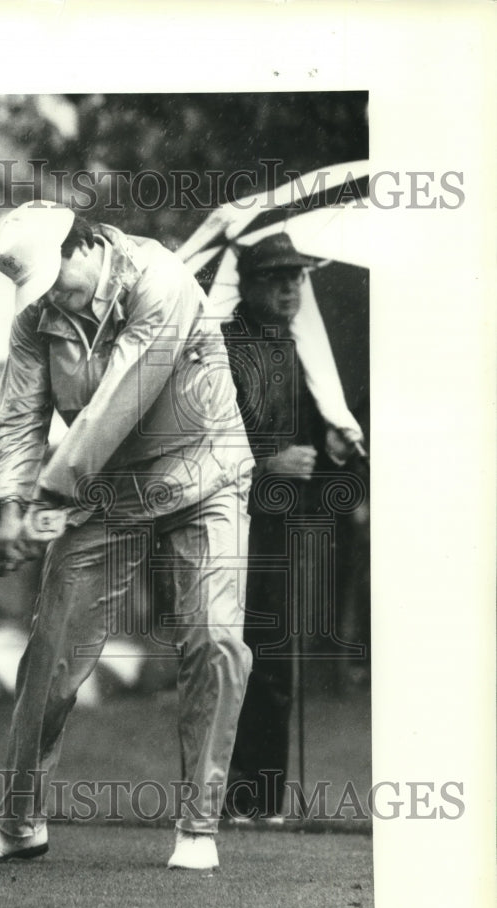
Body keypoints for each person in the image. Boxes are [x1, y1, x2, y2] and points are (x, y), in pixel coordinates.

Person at [0, 200, 255, 870]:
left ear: (82, 247)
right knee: (52, 648)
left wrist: (48, 496)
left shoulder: (161, 280)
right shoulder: (37, 317)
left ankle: (198, 829)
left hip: (204, 473)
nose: (50, 297)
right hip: (105, 489)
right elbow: (19, 415)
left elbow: (120, 398)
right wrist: (6, 508)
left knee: (213, 635)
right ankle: (18, 821)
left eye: (56, 279)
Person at [220, 232, 365, 820]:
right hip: (225, 522)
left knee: (275, 657)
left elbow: (314, 441)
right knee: (227, 657)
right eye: (277, 278)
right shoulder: (222, 345)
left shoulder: (300, 354)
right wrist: (266, 462)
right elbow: (198, 438)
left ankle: (263, 802)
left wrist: (332, 446)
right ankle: (224, 798)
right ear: (249, 283)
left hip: (281, 527)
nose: (289, 288)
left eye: (297, 278)